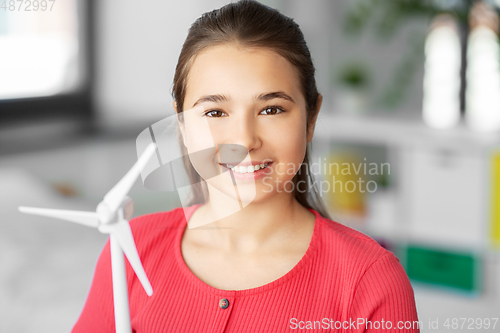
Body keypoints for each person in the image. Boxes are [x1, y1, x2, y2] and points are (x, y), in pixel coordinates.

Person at [72, 1, 420, 332]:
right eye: (214, 113)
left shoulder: (371, 280)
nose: (244, 139)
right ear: (181, 122)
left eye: (271, 109)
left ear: (311, 117)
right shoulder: (129, 253)